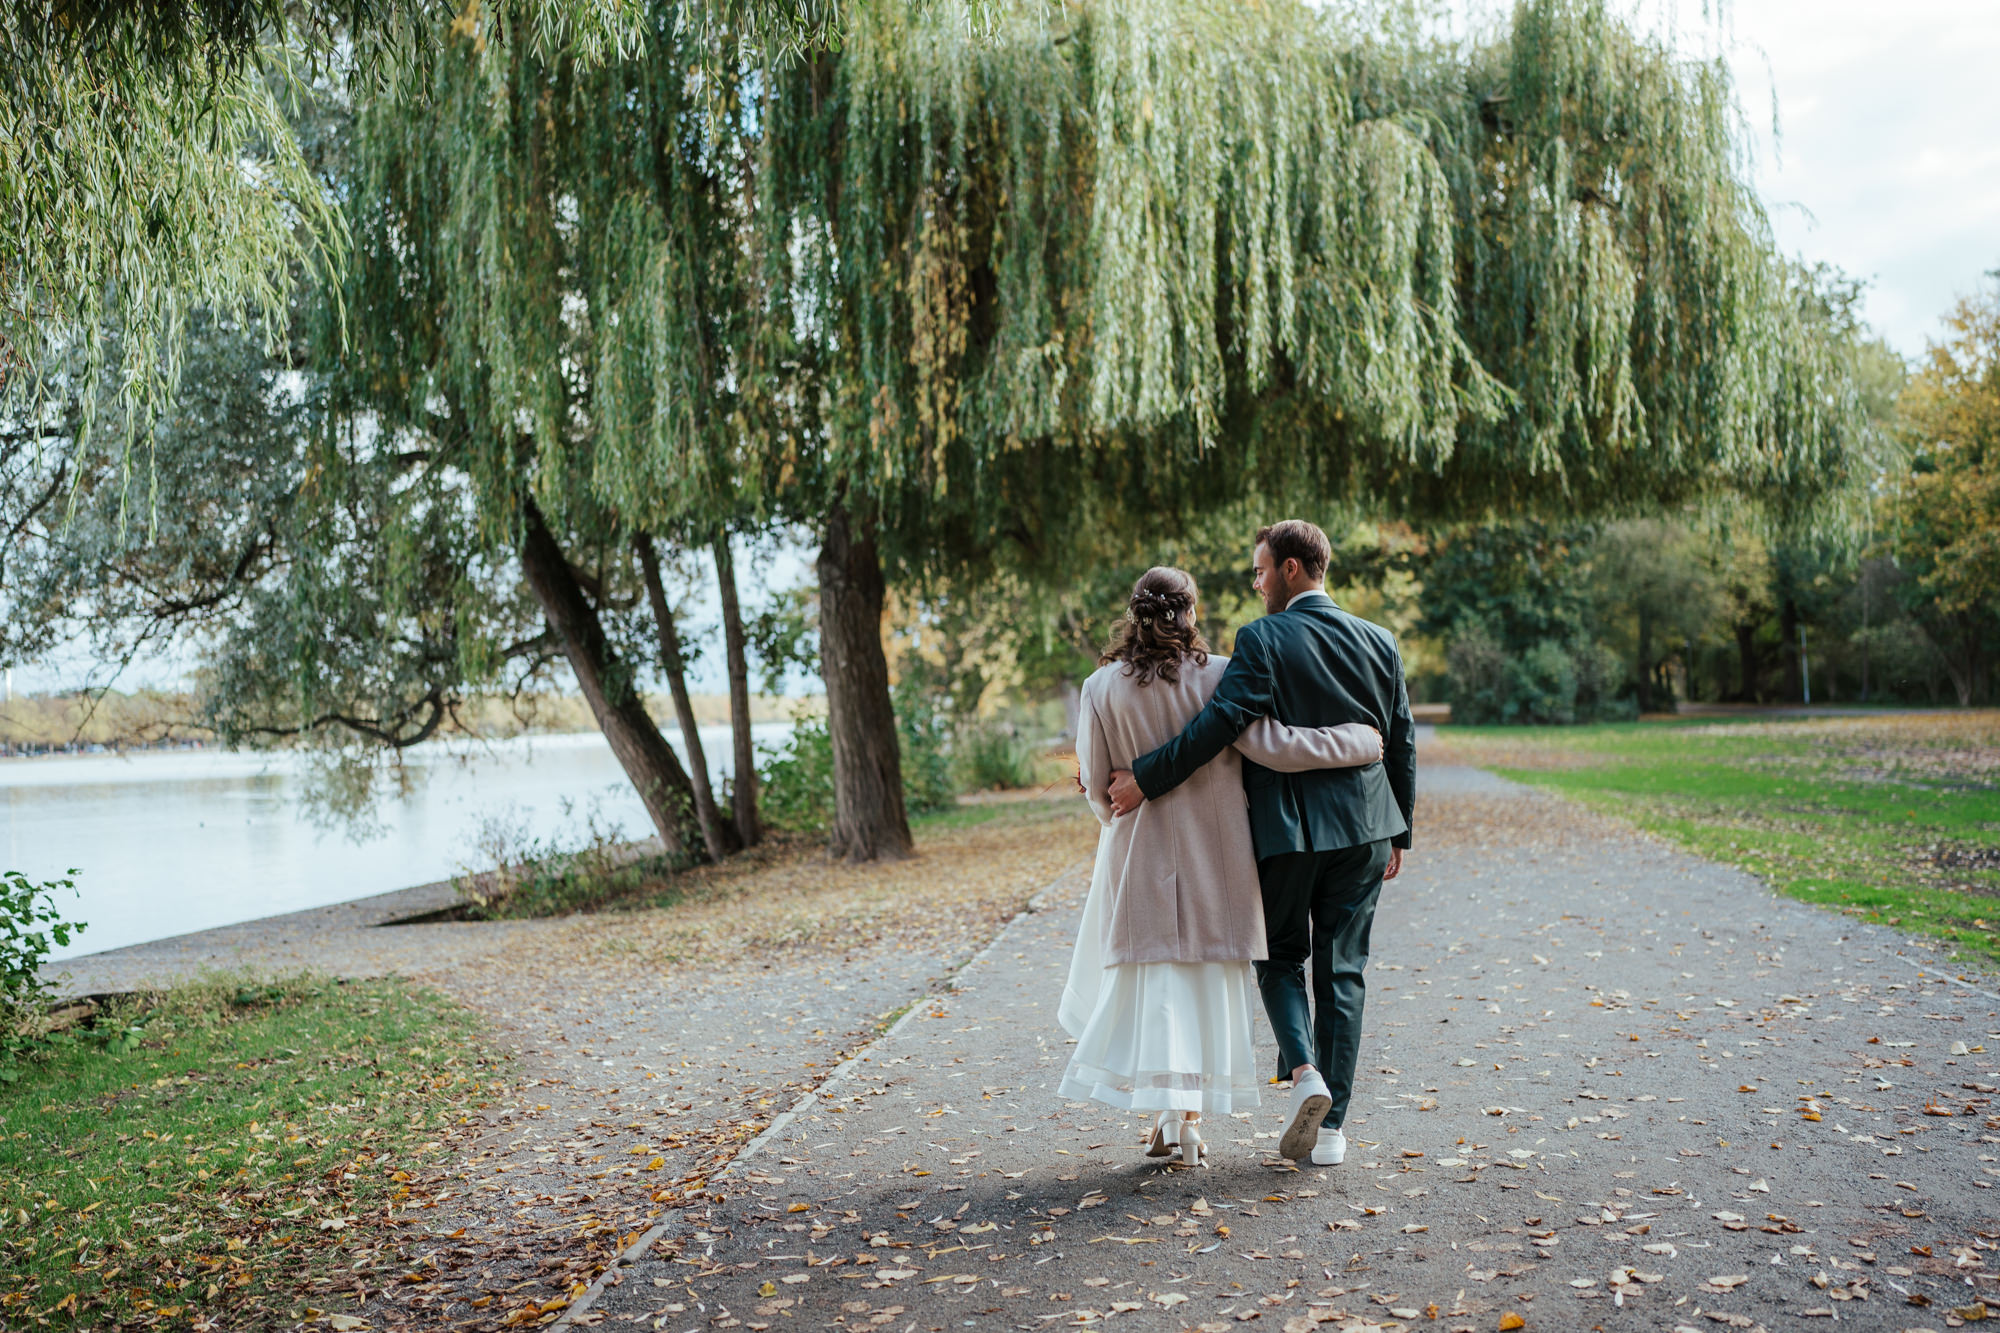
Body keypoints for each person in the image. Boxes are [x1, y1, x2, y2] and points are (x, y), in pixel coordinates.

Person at [1108, 520, 1416, 1167]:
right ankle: (1332, 1131)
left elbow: (1221, 724)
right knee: (1345, 970)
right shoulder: (1380, 641)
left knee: (1279, 958)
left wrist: (1145, 777)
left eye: (1261, 569)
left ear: (1293, 570)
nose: (1256, 581)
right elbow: (1400, 738)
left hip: (1288, 832)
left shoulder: (1263, 637)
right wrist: (1401, 830)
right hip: (1366, 828)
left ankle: (1305, 1071)